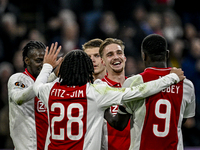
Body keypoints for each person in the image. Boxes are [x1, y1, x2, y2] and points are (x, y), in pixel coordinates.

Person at [32, 46, 185, 150]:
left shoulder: (49, 90)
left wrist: (47, 66)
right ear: (88, 70)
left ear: (62, 70)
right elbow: (139, 91)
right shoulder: (95, 92)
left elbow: (36, 86)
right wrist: (170, 78)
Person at [105, 34, 195, 150]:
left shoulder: (134, 83)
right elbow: (181, 120)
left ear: (143, 56)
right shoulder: (186, 85)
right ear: (167, 54)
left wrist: (104, 109)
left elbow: (119, 124)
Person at [7, 41, 60, 150]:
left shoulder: (48, 84)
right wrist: (48, 71)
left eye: (44, 61)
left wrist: (54, 75)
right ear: (27, 60)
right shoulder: (18, 79)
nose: (42, 65)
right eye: (38, 61)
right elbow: (19, 98)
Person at [99, 38, 130, 150]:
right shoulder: (97, 89)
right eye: (110, 54)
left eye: (119, 53)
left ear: (124, 57)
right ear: (103, 61)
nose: (116, 57)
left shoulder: (136, 86)